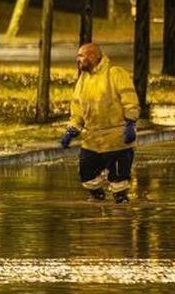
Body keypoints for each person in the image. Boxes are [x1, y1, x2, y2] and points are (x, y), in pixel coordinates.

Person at [59, 41, 142, 202]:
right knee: (87, 175)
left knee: (119, 180)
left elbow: (130, 100)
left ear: (92, 56)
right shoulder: (83, 80)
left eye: (81, 56)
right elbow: (77, 109)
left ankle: (120, 213)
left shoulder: (115, 74)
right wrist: (72, 130)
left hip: (117, 140)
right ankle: (98, 200)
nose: (78, 59)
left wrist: (131, 123)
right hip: (92, 141)